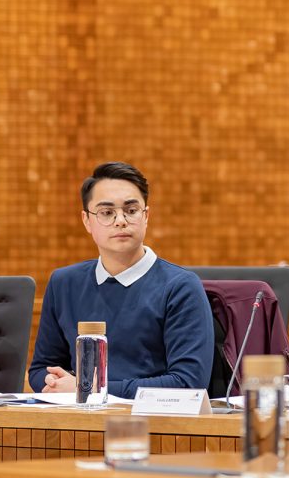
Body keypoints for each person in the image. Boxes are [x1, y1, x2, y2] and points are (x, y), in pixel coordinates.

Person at [28, 162, 212, 398]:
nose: (120, 220)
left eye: (131, 210)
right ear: (87, 221)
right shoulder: (64, 283)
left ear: (146, 216)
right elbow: (41, 367)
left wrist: (90, 389)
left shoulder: (180, 287)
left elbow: (189, 384)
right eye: (106, 213)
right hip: (78, 423)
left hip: (158, 426)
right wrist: (52, 380)